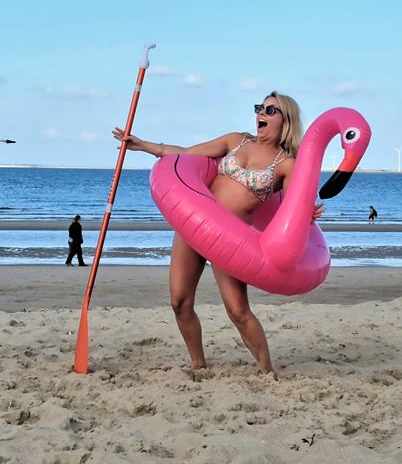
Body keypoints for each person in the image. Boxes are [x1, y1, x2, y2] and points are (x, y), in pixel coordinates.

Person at [113, 91, 322, 375]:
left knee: (238, 311)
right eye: (259, 108)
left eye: (270, 110)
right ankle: (198, 365)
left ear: (286, 120)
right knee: (179, 302)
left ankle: (267, 371)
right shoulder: (237, 140)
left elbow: (290, 209)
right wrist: (142, 145)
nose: (261, 113)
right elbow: (187, 153)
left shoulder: (287, 164)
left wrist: (305, 214)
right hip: (196, 225)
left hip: (231, 240)